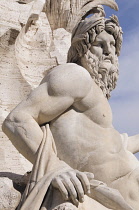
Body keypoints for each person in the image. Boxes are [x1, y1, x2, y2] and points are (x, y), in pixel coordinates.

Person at [2, 11, 139, 210]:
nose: (109, 52)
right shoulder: (75, 76)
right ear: (82, 49)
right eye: (100, 45)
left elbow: (113, 147)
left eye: (113, 46)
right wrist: (55, 167)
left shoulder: (94, 98)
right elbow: (17, 120)